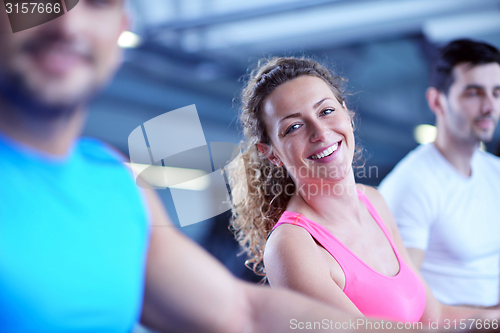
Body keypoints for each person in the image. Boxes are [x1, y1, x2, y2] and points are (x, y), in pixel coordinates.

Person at [0, 1, 405, 332]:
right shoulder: (293, 243)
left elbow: (244, 313)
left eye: (97, 3)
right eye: (37, 2)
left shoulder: (114, 183)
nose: (67, 23)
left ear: (119, 30)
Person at [228, 56, 500, 323]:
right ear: (271, 153)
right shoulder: (291, 246)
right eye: (294, 127)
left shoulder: (373, 201)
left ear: (347, 114)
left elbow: (434, 316)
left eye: (326, 111)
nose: (320, 132)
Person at [378, 39, 500, 308]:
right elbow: (403, 305)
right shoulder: (411, 183)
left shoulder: (495, 171)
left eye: (496, 93)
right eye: (473, 93)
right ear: (437, 101)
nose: (490, 106)